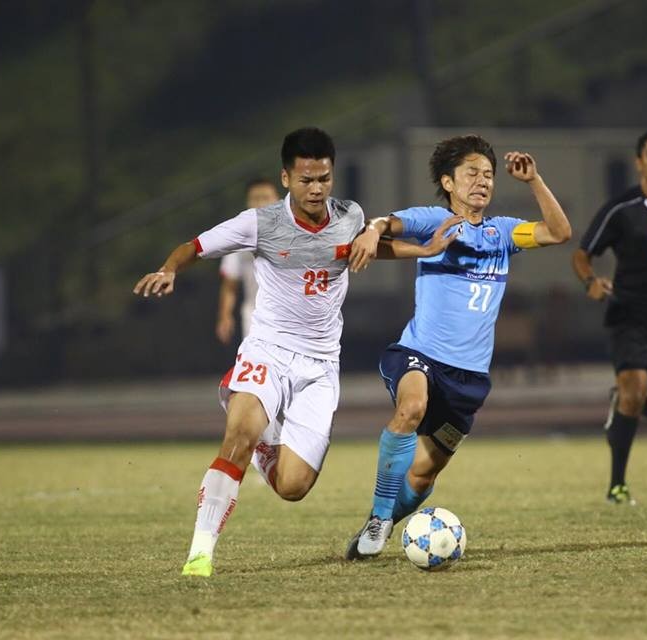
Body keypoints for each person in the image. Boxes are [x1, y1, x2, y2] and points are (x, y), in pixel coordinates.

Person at [132, 128, 456, 577]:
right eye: (306, 179)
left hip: (320, 367)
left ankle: (269, 445)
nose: (316, 188)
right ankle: (200, 552)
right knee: (238, 435)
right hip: (268, 350)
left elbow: (368, 248)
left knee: (293, 486)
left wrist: (425, 249)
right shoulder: (260, 223)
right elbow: (197, 246)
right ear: (287, 178)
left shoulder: (349, 216)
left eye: (324, 178)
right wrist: (169, 269)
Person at [343, 134, 572, 559]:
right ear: (448, 182)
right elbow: (385, 223)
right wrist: (372, 232)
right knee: (410, 409)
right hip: (420, 353)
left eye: (489, 175)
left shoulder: (502, 234)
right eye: (472, 173)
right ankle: (378, 516)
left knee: (426, 471)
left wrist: (535, 181)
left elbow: (559, 232)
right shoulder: (434, 219)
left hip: (468, 377)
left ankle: (383, 525)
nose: (482, 181)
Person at [571, 129, 647, 505]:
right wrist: (590, 281)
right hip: (629, 314)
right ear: (640, 162)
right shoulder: (622, 209)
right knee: (635, 392)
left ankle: (622, 405)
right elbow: (582, 253)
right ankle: (617, 486)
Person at [216, 178, 281, 344]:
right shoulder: (238, 238)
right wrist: (225, 316)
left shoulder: (292, 233)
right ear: (247, 202)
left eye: (265, 197)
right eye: (255, 198)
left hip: (290, 315)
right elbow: (230, 284)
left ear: (278, 200)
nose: (260, 203)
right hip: (255, 315)